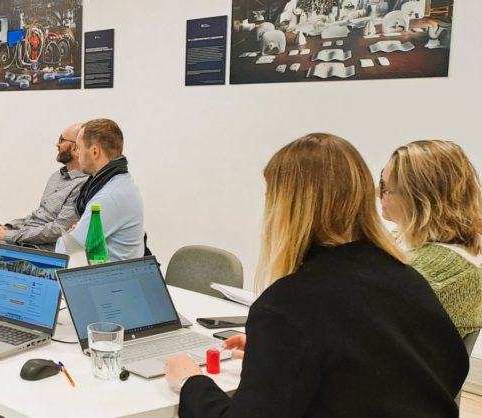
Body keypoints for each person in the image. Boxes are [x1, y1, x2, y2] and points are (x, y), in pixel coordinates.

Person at [164, 133, 468, 418]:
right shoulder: (407, 279)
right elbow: (448, 364)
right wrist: (273, 354)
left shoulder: (286, 305)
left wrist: (190, 382)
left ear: (286, 209)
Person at [380, 140, 482, 338]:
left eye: (385, 187)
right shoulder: (412, 235)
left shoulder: (443, 273)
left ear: (417, 200)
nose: (378, 194)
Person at [0, 123, 88, 250]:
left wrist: (8, 235)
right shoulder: (57, 176)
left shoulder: (82, 184)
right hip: (19, 235)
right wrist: (8, 227)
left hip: (34, 246)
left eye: (61, 140)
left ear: (75, 148)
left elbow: (57, 230)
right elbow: (36, 216)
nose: (56, 144)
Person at [55, 118, 145, 261]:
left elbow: (65, 252)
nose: (76, 153)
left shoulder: (108, 197)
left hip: (106, 279)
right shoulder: (122, 181)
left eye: (79, 147)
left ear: (95, 152)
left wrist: (69, 236)